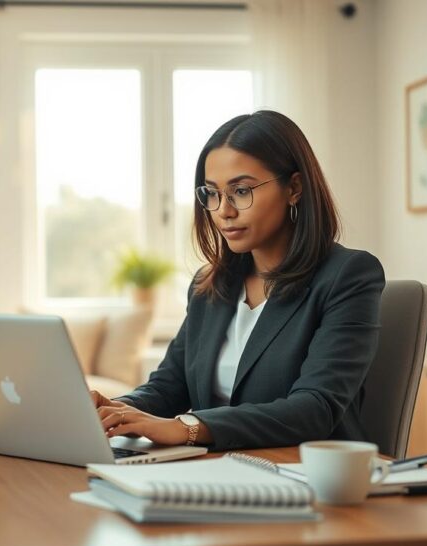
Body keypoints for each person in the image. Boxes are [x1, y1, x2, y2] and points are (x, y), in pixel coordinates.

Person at [92, 110, 385, 451]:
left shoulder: (348, 276)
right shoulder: (211, 285)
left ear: (294, 188)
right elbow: (169, 386)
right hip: (215, 469)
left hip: (302, 474)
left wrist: (188, 428)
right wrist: (114, 411)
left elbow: (315, 409)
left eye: (241, 191)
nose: (223, 211)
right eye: (212, 194)